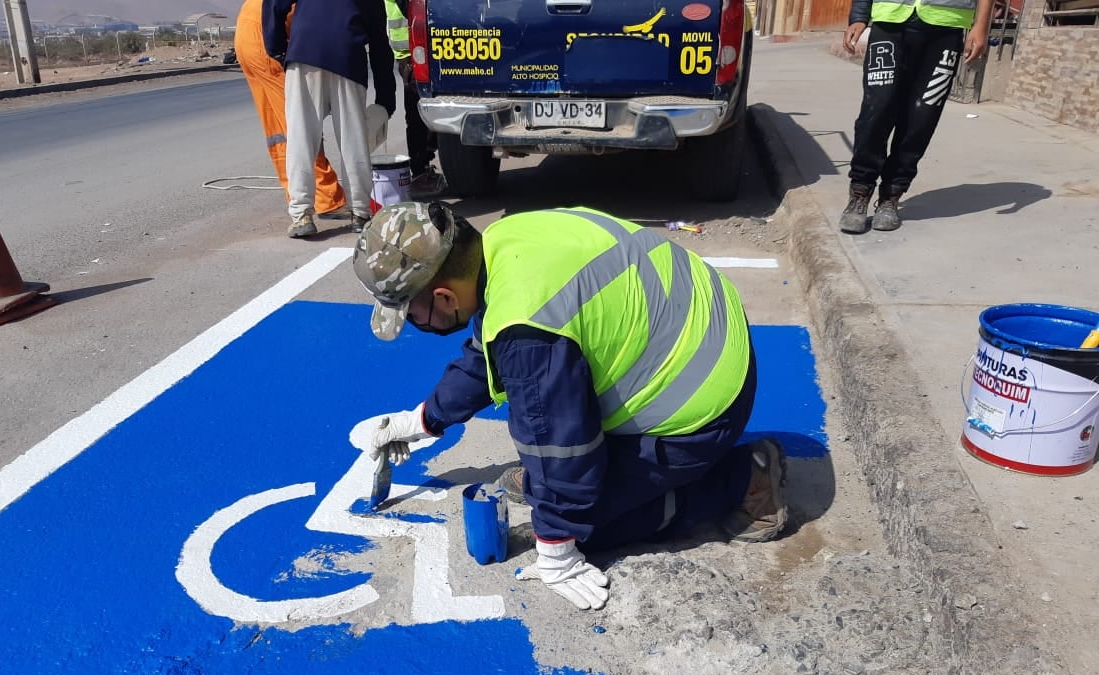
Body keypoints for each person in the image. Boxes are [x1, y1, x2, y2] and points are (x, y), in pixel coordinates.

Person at [354, 201, 788, 612]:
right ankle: (585, 486)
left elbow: (560, 441)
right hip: (707, 335)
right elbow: (488, 353)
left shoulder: (526, 330)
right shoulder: (505, 244)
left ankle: (745, 477)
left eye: (411, 314)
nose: (414, 324)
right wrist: (423, 419)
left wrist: (558, 545)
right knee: (559, 484)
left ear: (446, 297)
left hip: (703, 406)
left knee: (586, 525)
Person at [839, 0, 993, 234]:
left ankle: (891, 196)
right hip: (889, 23)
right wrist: (859, 16)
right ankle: (860, 190)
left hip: (946, 26)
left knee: (922, 117)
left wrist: (980, 26)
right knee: (876, 110)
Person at [264, 0, 397, 238]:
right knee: (353, 140)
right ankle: (360, 212)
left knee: (301, 138)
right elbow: (379, 43)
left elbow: (275, 3)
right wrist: (386, 98)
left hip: (304, 50)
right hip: (347, 54)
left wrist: (276, 47)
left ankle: (302, 214)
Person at [233, 0, 346, 217]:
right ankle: (326, 200)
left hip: (248, 34)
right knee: (301, 122)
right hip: (266, 37)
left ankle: (296, 193)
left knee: (278, 127)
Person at [382, 0, 447, 199]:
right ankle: (419, 171)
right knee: (418, 114)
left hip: (418, 47)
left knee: (427, 109)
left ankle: (423, 163)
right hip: (412, 49)